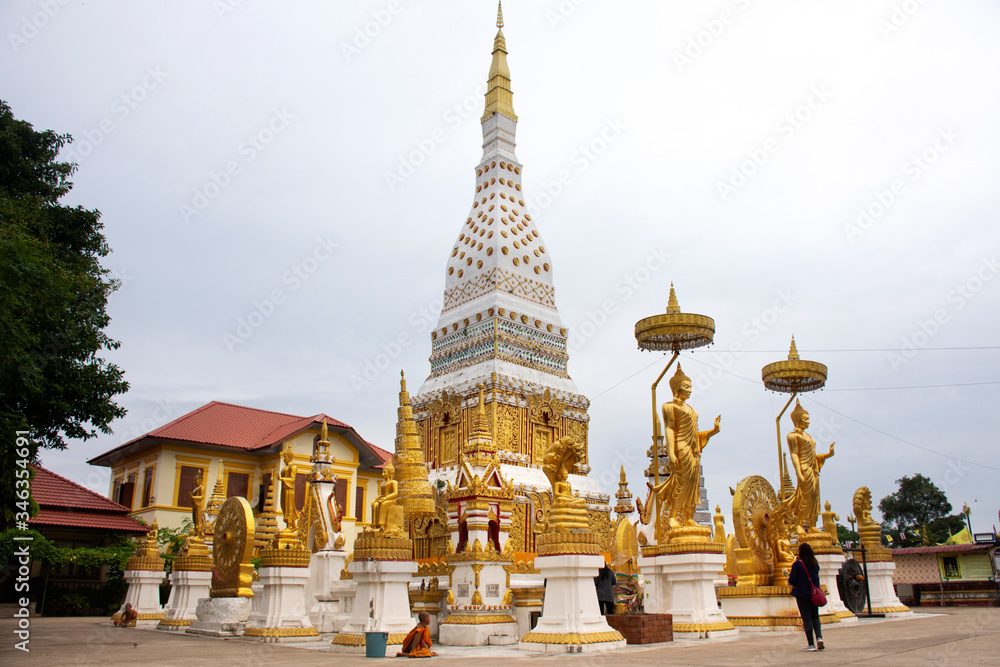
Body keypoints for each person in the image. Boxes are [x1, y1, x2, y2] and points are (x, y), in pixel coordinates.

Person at [787, 542, 824, 651]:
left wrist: (788, 580)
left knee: (806, 618)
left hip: (802, 594)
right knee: (815, 617)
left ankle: (811, 644)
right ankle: (819, 638)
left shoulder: (797, 564)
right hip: (813, 594)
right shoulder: (815, 563)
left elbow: (793, 580)